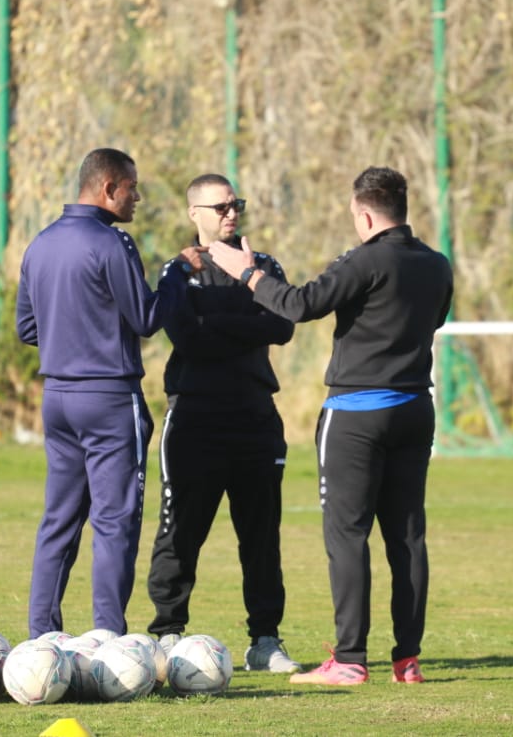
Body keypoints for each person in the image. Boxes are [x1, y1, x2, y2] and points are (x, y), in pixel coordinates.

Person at [209, 166, 453, 686]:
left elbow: (300, 305)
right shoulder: (436, 264)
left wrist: (247, 273)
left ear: (364, 213)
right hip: (414, 408)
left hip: (357, 415)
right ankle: (407, 660)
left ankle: (348, 659)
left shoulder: (364, 261)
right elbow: (435, 321)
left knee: (347, 535)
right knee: (407, 536)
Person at [16, 147, 202, 638]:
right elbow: (146, 318)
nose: (137, 197)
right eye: (133, 188)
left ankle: (42, 638)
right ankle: (107, 639)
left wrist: (70, 335)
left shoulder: (40, 244)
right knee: (115, 522)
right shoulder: (110, 243)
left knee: (59, 519)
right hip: (109, 399)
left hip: (56, 397)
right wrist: (176, 274)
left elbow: (27, 327)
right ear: (108, 188)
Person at [145, 174, 301, 673]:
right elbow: (188, 340)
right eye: (219, 206)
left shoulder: (263, 266)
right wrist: (239, 325)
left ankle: (265, 640)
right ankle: (168, 633)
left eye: (235, 204)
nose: (231, 213)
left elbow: (281, 325)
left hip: (255, 417)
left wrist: (217, 323)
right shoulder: (181, 269)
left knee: (261, 537)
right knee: (180, 533)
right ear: (195, 214)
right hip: (194, 419)